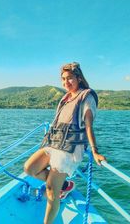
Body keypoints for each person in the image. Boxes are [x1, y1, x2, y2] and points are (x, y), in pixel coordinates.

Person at [24, 62, 106, 224]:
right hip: (54, 143)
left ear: (79, 78)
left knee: (50, 191)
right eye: (63, 79)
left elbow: (89, 125)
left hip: (69, 149)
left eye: (70, 78)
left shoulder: (87, 96)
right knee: (29, 168)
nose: (66, 82)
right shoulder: (66, 97)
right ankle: (64, 185)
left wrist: (95, 151)